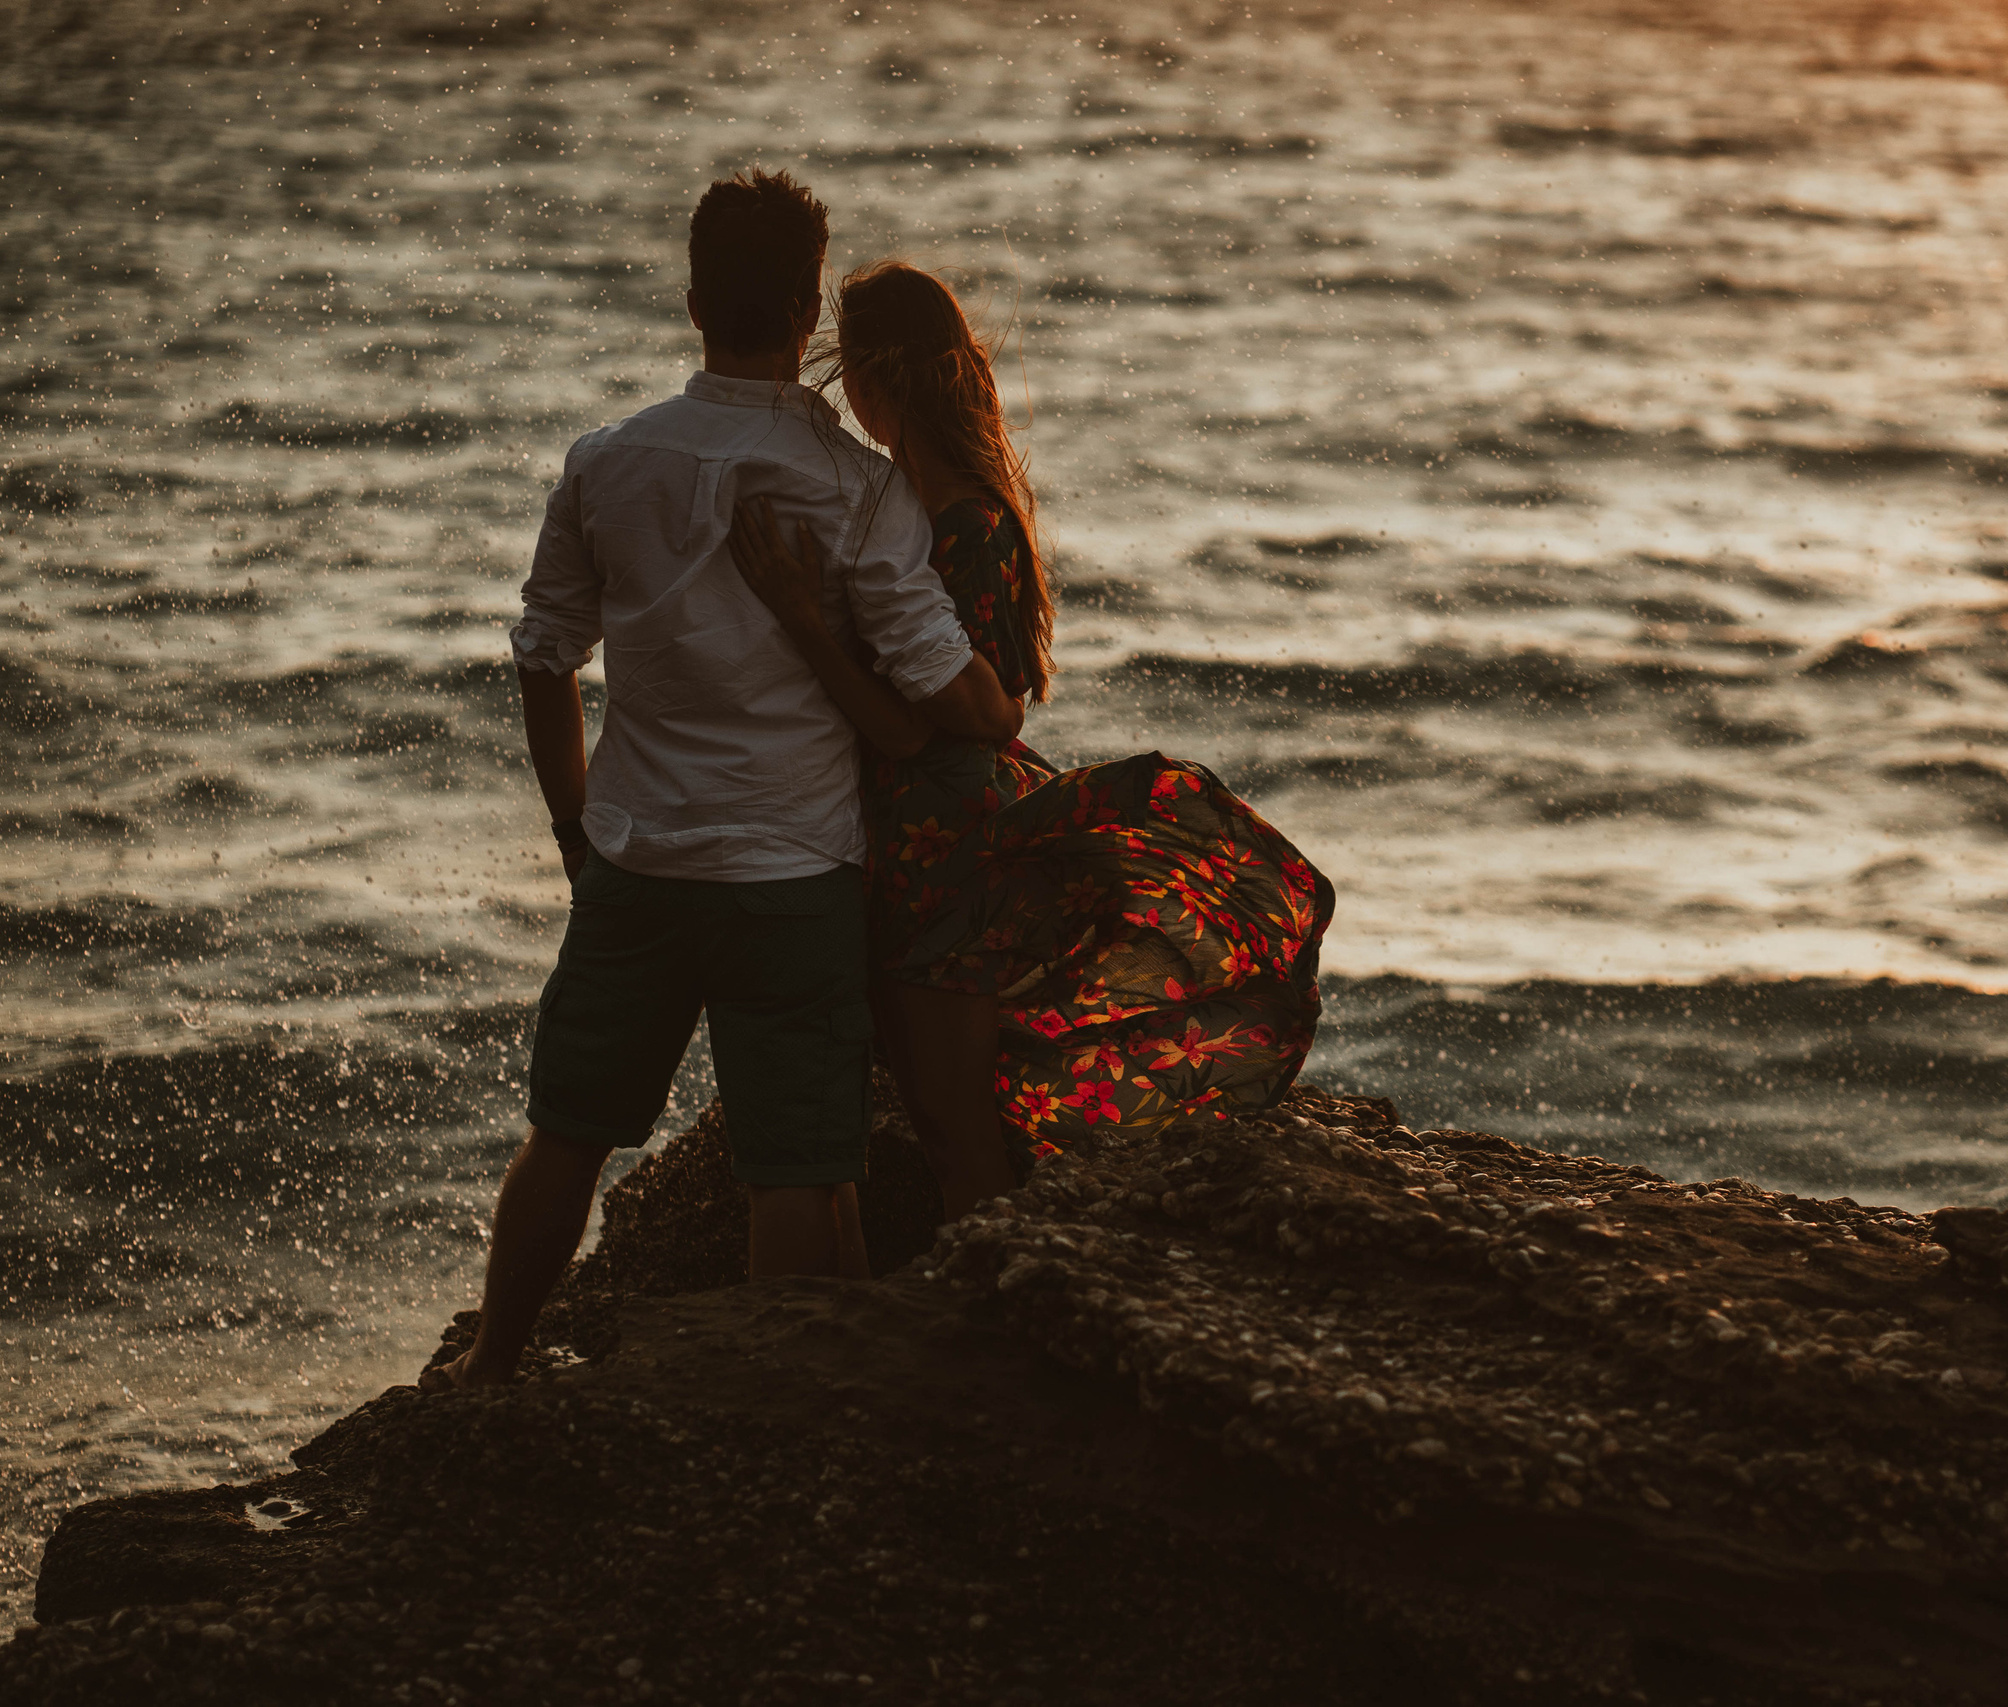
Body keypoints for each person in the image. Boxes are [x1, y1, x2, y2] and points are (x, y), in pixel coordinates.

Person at [433, 172, 1019, 1389]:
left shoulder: (608, 462)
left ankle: (491, 1368)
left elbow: (545, 653)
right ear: (809, 315)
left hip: (637, 859)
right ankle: (774, 1410)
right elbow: (939, 687)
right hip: (795, 875)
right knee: (796, 1164)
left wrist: (574, 825)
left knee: (569, 1135)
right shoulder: (861, 490)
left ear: (695, 300)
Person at [725, 262, 1333, 1215]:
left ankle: (988, 1309)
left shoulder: (960, 524)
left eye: (849, 384)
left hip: (945, 851)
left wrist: (803, 619)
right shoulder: (929, 508)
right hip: (920, 842)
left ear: (881, 384)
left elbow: (920, 725)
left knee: (954, 1123)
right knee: (941, 1116)